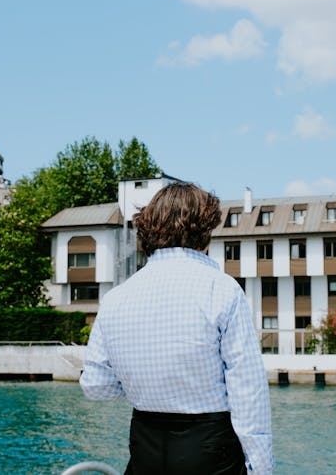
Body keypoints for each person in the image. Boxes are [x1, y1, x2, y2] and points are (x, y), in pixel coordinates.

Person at [80, 182, 273, 475]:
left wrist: (143, 384)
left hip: (145, 447)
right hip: (211, 449)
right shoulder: (222, 290)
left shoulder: (116, 298)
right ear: (205, 231)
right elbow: (247, 391)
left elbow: (95, 386)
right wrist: (261, 468)